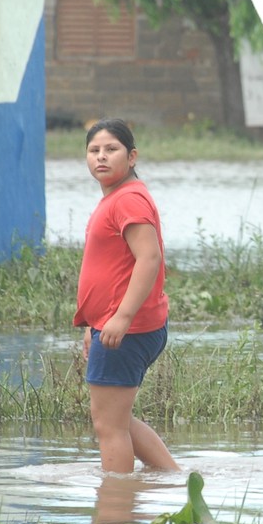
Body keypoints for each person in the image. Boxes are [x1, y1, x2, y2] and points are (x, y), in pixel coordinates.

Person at [74, 118, 180, 474]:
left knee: (109, 427)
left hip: (126, 329)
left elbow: (149, 258)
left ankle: (114, 510)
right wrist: (94, 323)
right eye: (94, 150)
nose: (101, 157)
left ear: (132, 156)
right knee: (116, 419)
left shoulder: (128, 199)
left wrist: (121, 317)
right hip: (120, 326)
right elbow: (114, 267)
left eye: (111, 149)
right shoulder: (119, 197)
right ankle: (173, 478)